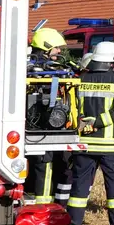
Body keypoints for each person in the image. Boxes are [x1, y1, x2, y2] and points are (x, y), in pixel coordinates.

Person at [65, 40, 114, 225]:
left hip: (84, 143)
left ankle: (73, 224)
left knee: (80, 185)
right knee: (113, 184)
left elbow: (72, 109)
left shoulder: (81, 80)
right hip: (108, 144)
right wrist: (99, 121)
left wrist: (87, 123)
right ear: (111, 61)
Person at [26, 27, 79, 206]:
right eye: (56, 48)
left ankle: (51, 203)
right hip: (41, 124)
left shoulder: (52, 66)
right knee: (44, 165)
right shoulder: (34, 67)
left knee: (53, 165)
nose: (59, 52)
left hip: (51, 122)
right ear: (45, 46)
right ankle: (44, 206)